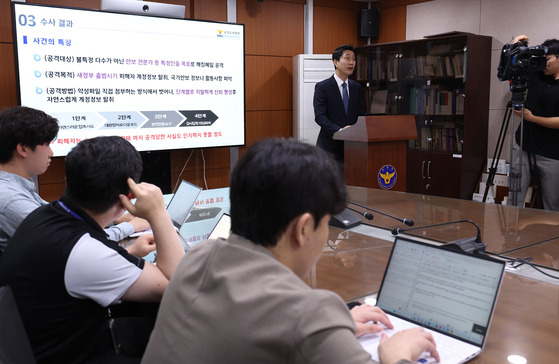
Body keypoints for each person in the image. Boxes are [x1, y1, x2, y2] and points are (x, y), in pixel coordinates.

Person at [142, 138, 439, 364]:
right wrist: (396, 354)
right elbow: (293, 322)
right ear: (303, 229)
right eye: (326, 224)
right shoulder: (310, 314)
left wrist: (336, 328)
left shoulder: (198, 257)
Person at [0, 136, 185, 363]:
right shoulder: (83, 250)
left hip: (51, 338)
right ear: (129, 195)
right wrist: (158, 213)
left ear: (70, 178)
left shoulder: (47, 215)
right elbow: (175, 285)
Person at [0, 106, 152, 256]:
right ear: (23, 149)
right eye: (46, 145)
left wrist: (115, 219)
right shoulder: (9, 199)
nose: (51, 153)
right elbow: (70, 240)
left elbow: (62, 219)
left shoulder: (17, 187)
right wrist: (129, 227)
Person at [508, 35, 559, 211]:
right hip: (523, 145)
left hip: (552, 153)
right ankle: (510, 237)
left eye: (548, 59)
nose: (544, 64)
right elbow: (510, 66)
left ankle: (550, 239)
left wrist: (531, 118)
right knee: (514, 198)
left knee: (551, 204)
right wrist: (516, 44)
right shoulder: (537, 73)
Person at [314, 44, 366, 163]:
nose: (352, 62)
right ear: (336, 62)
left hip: (353, 147)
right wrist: (340, 131)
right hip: (329, 147)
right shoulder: (323, 87)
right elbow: (320, 116)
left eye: (354, 59)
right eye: (347, 58)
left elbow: (362, 114)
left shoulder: (356, 87)